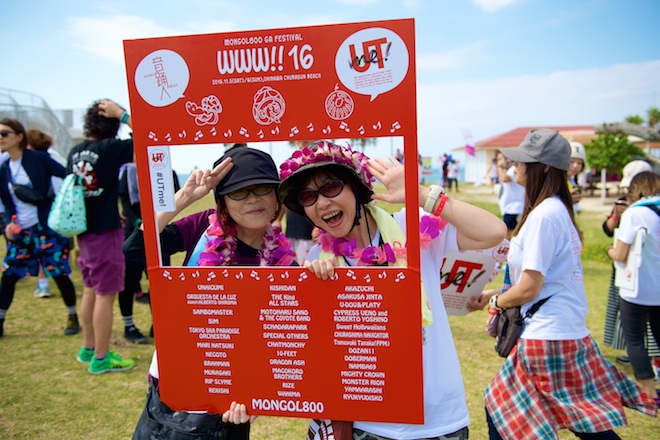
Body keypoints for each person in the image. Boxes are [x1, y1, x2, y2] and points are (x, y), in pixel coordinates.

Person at [278, 140, 507, 440]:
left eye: (331, 187)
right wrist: (315, 291)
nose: (321, 204)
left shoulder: (413, 228)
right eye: (308, 196)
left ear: (357, 189)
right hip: (366, 421)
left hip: (437, 419)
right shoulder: (316, 259)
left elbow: (493, 232)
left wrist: (422, 195)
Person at [470, 129, 656, 439]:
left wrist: (496, 302)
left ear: (544, 167)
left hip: (546, 336)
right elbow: (549, 281)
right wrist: (498, 293)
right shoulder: (556, 209)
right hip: (563, 331)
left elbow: (530, 288)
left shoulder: (544, 215)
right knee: (581, 419)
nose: (515, 165)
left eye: (522, 160)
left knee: (502, 415)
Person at [130, 146, 293, 439]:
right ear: (223, 202)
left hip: (235, 400)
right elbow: (133, 250)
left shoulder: (285, 262)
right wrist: (184, 197)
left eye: (262, 188)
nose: (252, 199)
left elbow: (285, 340)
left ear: (276, 196)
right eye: (238, 192)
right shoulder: (202, 228)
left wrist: (261, 394)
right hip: (177, 387)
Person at [68, 99, 135, 373]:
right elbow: (148, 136)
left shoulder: (75, 151)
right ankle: (101, 357)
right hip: (105, 233)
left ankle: (88, 348)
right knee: (105, 295)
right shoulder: (110, 148)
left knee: (90, 290)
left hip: (83, 232)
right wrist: (123, 114)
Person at [0, 118, 79, 337]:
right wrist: (9, 223)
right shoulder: (4, 168)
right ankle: (0, 321)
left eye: (4, 133)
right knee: (9, 275)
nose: (0, 138)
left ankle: (73, 316)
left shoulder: (38, 158)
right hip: (21, 232)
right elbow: (7, 202)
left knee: (59, 273)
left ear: (19, 136)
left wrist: (60, 204)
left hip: (46, 229)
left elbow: (68, 175)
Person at [607, 171, 660, 401]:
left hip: (637, 288)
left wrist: (609, 251)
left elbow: (620, 254)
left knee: (635, 339)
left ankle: (649, 392)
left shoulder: (635, 213)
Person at [26, 128, 68, 298]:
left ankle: (43, 285)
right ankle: (64, 277)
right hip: (61, 211)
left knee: (42, 251)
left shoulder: (35, 161)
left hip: (43, 213)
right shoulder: (54, 157)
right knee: (60, 248)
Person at [495, 150, 525, 240]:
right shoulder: (509, 170)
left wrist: (499, 167)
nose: (499, 162)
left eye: (500, 159)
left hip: (514, 207)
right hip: (510, 207)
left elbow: (505, 178)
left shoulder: (513, 170)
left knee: (510, 235)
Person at [568, 141, 587, 214]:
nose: (575, 166)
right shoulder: (555, 183)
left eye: (579, 163)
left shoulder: (572, 181)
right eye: (572, 161)